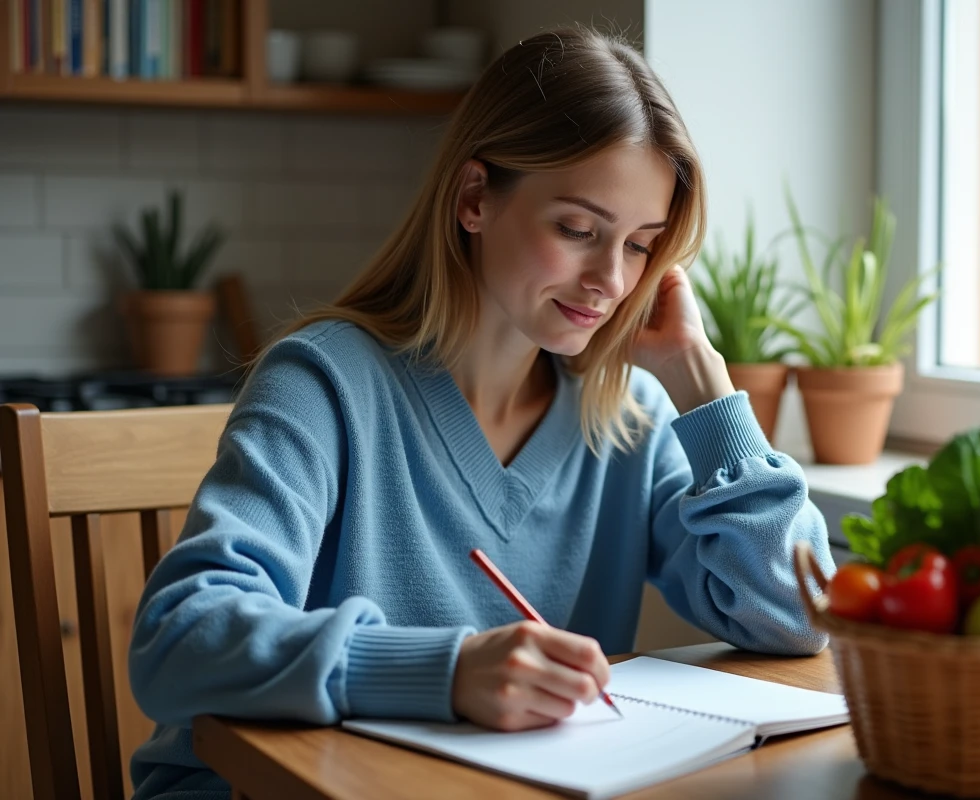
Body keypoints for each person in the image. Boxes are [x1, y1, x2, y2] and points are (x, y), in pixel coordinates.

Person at [127, 26, 835, 799]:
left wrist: (705, 388)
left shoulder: (627, 418)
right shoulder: (324, 383)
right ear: (473, 200)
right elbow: (180, 640)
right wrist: (448, 671)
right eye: (577, 229)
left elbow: (799, 619)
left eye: (640, 245)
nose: (610, 279)